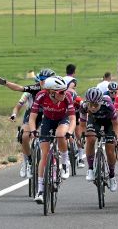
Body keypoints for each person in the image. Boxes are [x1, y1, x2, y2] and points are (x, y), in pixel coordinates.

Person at [0, 69, 55, 178]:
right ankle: (29, 161)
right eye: (41, 79)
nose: (43, 82)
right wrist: (5, 83)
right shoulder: (33, 89)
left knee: (46, 136)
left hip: (46, 115)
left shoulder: (56, 90)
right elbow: (19, 89)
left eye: (46, 80)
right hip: (32, 114)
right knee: (24, 135)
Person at [29, 76, 76, 204]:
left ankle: (65, 163)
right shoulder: (41, 95)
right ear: (51, 92)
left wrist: (70, 132)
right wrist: (33, 130)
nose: (64, 93)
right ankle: (40, 190)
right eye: (61, 92)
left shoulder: (67, 97)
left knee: (60, 134)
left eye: (65, 90)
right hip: (48, 120)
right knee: (44, 155)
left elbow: (73, 119)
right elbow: (32, 117)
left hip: (63, 119)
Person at [78, 88, 118, 192]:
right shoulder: (83, 106)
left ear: (101, 102)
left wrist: (117, 138)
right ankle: (91, 169)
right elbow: (82, 125)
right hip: (94, 121)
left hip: (109, 123)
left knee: (110, 149)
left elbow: (116, 124)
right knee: (90, 139)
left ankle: (111, 176)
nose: (92, 107)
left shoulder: (108, 105)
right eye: (90, 104)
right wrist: (81, 137)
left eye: (96, 105)